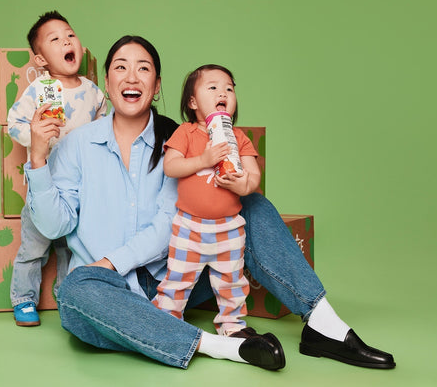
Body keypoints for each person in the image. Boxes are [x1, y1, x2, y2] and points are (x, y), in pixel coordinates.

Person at [26, 35, 395, 370]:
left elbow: (169, 220)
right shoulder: (77, 144)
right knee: (73, 292)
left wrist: (238, 181)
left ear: (156, 87)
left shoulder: (180, 139)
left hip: (177, 275)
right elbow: (55, 225)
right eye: (120, 67)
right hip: (103, 288)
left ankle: (322, 323)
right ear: (106, 84)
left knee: (249, 204)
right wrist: (38, 160)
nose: (131, 77)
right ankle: (222, 346)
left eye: (144, 69)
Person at [7, 10, 107, 326]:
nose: (66, 40)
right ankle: (24, 299)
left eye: (70, 35)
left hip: (80, 189)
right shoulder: (39, 89)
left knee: (71, 250)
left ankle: (68, 298)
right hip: (44, 186)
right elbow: (14, 124)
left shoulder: (93, 91)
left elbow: (106, 127)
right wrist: (39, 138)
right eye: (55, 39)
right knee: (33, 249)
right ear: (40, 59)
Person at [152, 64, 262, 338]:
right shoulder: (186, 133)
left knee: (232, 282)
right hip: (189, 227)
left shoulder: (238, 137)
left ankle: (232, 326)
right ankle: (167, 319)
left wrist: (243, 183)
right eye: (212, 87)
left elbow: (253, 176)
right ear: (192, 102)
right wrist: (204, 160)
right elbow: (171, 167)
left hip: (229, 228)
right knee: (177, 278)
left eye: (229, 88)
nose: (222, 92)